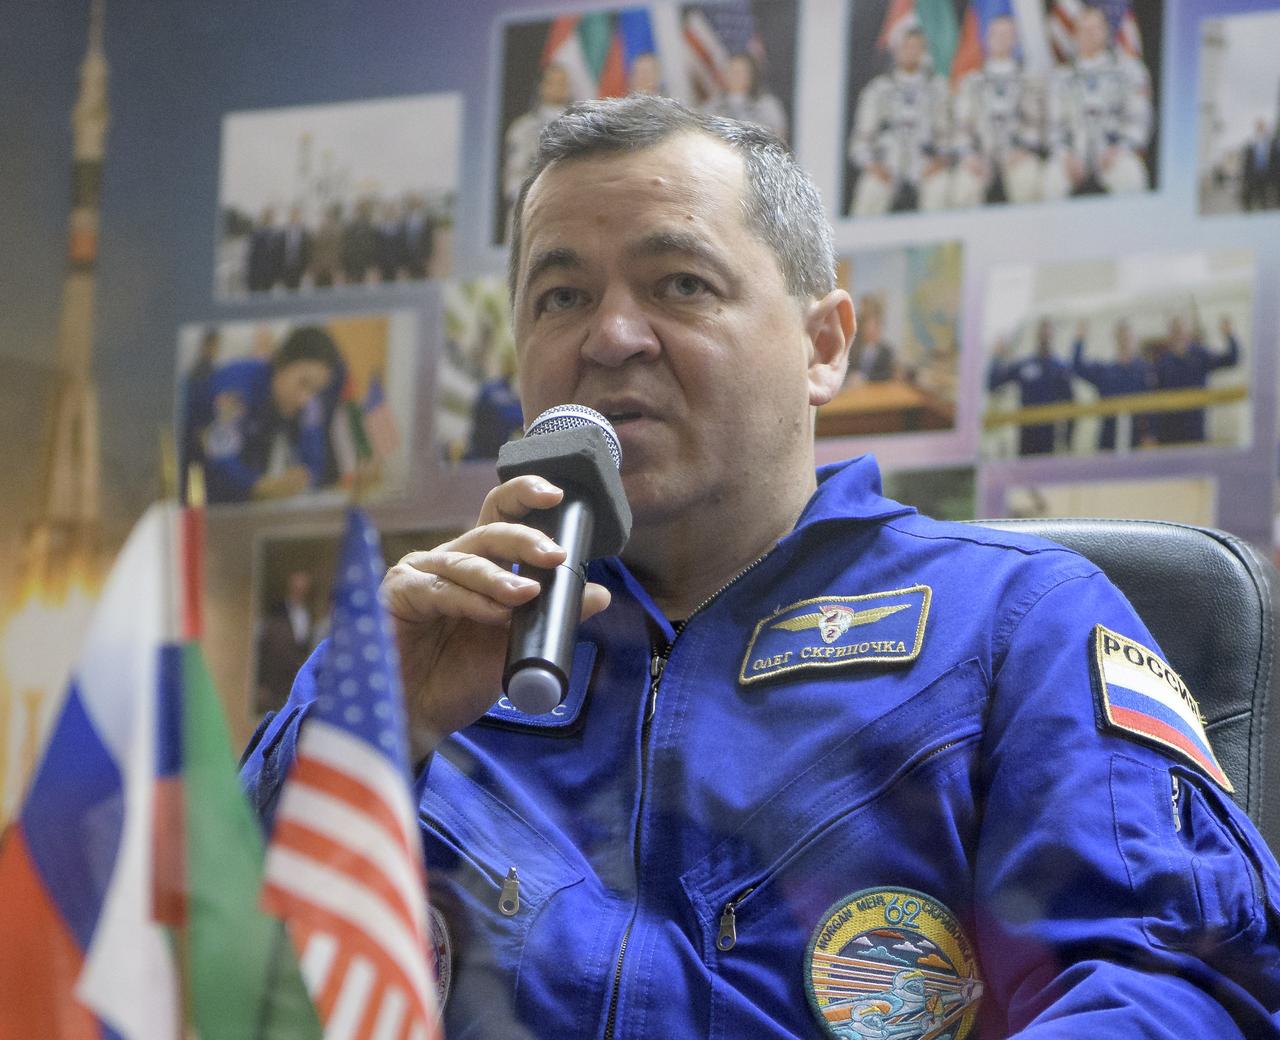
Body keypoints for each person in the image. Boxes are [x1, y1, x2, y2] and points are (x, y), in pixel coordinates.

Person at [241, 96, 1280, 1038]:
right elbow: (198, 970)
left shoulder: (1016, 623)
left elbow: (1172, 981)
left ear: (824, 344)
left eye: (679, 283)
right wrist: (354, 736)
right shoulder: (432, 648)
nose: (608, 336)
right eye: (558, 297)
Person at [195, 325, 344, 503]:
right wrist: (257, 486)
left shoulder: (309, 402)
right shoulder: (235, 389)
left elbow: (314, 462)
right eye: (303, 383)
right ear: (282, 362)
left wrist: (302, 478)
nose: (305, 399)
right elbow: (219, 456)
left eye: (315, 390)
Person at [1043, 6, 1152, 199]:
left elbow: (1139, 118)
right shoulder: (1061, 77)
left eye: (1095, 29)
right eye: (1084, 30)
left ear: (1106, 32)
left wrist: (1121, 147)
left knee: (1131, 177)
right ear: (1075, 35)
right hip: (1073, 156)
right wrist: (1065, 155)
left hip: (1114, 152)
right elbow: (1054, 125)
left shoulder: (1129, 71)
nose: (1089, 35)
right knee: (1050, 183)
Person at [848, 28, 950, 217]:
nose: (911, 51)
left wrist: (939, 160)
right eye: (906, 46)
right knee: (869, 192)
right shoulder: (878, 90)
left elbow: (946, 135)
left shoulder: (937, 88)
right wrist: (873, 165)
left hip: (925, 166)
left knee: (941, 188)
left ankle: (931, 247)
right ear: (896, 50)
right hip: (887, 166)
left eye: (916, 47)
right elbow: (860, 141)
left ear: (923, 51)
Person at [949, 15, 1043, 207]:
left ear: (1015, 40)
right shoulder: (971, 82)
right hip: (980, 157)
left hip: (1017, 155)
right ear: (987, 39)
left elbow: (1035, 122)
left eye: (1006, 34)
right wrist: (970, 156)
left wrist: (1022, 151)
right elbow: (962, 125)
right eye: (996, 34)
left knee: (1028, 181)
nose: (1001, 39)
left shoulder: (1028, 81)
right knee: (963, 187)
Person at [987, 318, 1075, 455]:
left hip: (1049, 437)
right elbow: (993, 383)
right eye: (1042, 332)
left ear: (1053, 336)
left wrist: (1067, 439)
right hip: (1026, 438)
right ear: (1037, 335)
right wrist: (997, 356)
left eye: (1048, 332)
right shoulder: (1024, 365)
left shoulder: (1060, 369)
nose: (1045, 335)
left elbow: (1071, 405)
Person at [503, 62, 572, 235]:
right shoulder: (523, 128)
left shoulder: (579, 128)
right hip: (531, 214)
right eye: (553, 82)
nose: (559, 88)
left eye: (563, 83)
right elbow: (513, 180)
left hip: (569, 215)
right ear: (542, 87)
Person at [1153, 315, 1241, 445]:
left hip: (1195, 430)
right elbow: (1155, 399)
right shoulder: (1162, 362)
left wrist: (1229, 334)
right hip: (1168, 433)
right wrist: (1153, 433)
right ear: (1169, 334)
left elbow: (1231, 359)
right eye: (1174, 330)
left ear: (1187, 333)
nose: (1178, 334)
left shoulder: (1200, 355)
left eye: (1181, 330)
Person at [1071, 318, 1155, 451]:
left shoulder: (1145, 371)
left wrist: (1151, 435)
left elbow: (1153, 407)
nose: (1124, 341)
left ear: (1134, 339)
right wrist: (1080, 339)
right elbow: (1077, 367)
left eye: (1127, 337)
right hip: (1108, 441)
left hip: (1138, 441)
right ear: (1115, 339)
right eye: (1121, 337)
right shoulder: (1104, 371)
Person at [705, 52, 788, 143]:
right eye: (731, 70)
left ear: (752, 75)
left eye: (740, 72)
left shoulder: (766, 104)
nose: (735, 76)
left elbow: (777, 134)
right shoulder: (713, 105)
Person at [1241, 118, 1276, 212]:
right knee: (1251, 201)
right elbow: (1246, 164)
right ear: (1256, 129)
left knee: (1265, 200)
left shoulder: (1272, 144)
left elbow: (1275, 162)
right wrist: (1245, 179)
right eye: (1259, 127)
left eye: (1263, 127)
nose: (1261, 129)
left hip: (1267, 176)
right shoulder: (1251, 145)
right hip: (1254, 176)